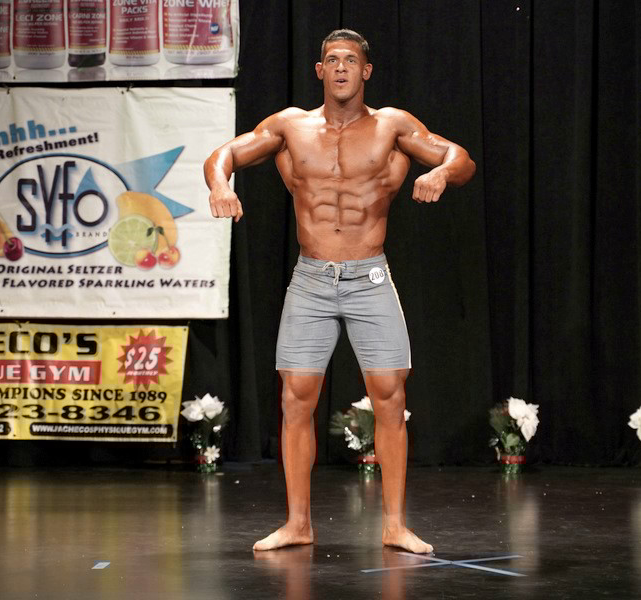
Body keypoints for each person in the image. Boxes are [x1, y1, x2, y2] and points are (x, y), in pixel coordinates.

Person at [204, 29, 476, 554]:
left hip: (369, 277)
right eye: (332, 59)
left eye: (351, 60)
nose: (342, 67)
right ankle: (297, 523)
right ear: (320, 70)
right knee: (295, 399)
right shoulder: (291, 125)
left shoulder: (392, 125)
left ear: (366, 71)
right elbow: (225, 154)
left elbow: (460, 157)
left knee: (390, 397)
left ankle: (395, 525)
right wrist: (220, 185)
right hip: (311, 279)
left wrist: (441, 173)